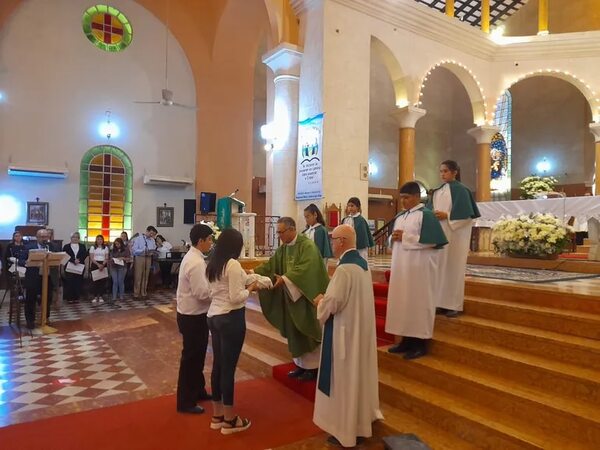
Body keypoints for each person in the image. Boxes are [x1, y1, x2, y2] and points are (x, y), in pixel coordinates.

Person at [312, 224, 383, 448]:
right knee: (358, 380)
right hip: (359, 332)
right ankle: (360, 425)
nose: (331, 243)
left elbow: (333, 303)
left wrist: (320, 302)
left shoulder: (344, 269)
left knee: (343, 383)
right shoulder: (362, 266)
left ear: (341, 241)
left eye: (333, 239)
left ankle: (346, 431)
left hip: (344, 335)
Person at [206, 228, 271, 434]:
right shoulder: (232, 264)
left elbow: (211, 292)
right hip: (230, 318)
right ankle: (230, 420)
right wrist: (251, 288)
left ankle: (217, 415)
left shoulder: (213, 263)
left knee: (218, 366)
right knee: (228, 369)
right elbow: (236, 297)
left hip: (214, 316)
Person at [254, 217, 329, 381]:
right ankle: (301, 365)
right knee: (295, 331)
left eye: (281, 232)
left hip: (306, 297)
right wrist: (254, 273)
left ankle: (313, 368)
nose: (279, 235)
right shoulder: (284, 249)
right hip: (291, 297)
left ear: (291, 229)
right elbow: (271, 266)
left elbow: (308, 268)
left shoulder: (307, 245)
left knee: (308, 329)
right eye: (278, 232)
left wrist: (286, 279)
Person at [386, 182, 448, 359]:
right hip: (402, 267)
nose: (403, 201)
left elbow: (433, 241)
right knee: (404, 303)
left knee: (418, 304)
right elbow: (391, 240)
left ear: (416, 196)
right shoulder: (400, 216)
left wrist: (405, 237)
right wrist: (393, 237)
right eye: (402, 198)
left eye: (406, 197)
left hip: (420, 269)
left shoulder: (426, 215)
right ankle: (406, 340)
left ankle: (420, 343)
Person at [427, 160, 480, 317]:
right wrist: (432, 216)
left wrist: (447, 215)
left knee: (453, 269)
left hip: (456, 236)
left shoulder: (462, 191)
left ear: (454, 172)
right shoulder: (438, 191)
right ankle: (439, 302)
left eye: (445, 171)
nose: (442, 174)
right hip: (440, 233)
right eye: (441, 171)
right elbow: (428, 211)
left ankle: (453, 304)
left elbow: (468, 216)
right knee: (439, 268)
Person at [175, 224, 214, 414]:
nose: (211, 243)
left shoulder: (193, 257)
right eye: (209, 240)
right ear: (201, 241)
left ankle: (198, 390)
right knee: (191, 359)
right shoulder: (196, 262)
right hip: (193, 316)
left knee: (198, 357)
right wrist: (220, 291)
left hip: (190, 314)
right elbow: (202, 293)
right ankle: (185, 401)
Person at [24, 229, 57, 329]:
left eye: (46, 237)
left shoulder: (52, 246)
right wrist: (28, 261)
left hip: (47, 276)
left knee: (47, 298)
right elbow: (21, 260)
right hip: (33, 277)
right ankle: (30, 320)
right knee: (31, 299)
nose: (44, 239)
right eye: (42, 237)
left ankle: (45, 318)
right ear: (37, 237)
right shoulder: (29, 247)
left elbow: (57, 257)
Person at [131, 226, 157, 299]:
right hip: (139, 258)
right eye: (151, 233)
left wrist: (153, 251)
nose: (152, 235)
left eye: (153, 234)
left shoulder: (152, 240)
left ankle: (144, 293)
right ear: (147, 231)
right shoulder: (139, 239)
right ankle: (136, 294)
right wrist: (142, 250)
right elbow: (134, 250)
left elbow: (153, 248)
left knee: (146, 276)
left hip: (148, 257)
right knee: (138, 276)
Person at [62, 232, 88, 304]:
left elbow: (84, 255)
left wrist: (78, 260)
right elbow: (65, 255)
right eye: (74, 237)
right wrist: (73, 260)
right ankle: (69, 298)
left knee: (78, 282)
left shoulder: (82, 246)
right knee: (70, 282)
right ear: (71, 238)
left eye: (77, 237)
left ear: (79, 238)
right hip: (69, 266)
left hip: (79, 266)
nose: (75, 238)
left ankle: (76, 297)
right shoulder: (66, 246)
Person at [109, 237, 131, 307]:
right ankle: (114, 297)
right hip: (114, 267)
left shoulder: (126, 249)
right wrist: (113, 259)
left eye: (118, 244)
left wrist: (123, 258)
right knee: (115, 281)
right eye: (115, 244)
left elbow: (129, 258)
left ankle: (121, 296)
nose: (117, 245)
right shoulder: (113, 249)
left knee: (120, 281)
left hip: (122, 267)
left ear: (121, 243)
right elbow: (110, 257)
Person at [89, 235, 109, 304]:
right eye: (98, 239)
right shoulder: (92, 247)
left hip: (103, 264)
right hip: (95, 264)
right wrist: (98, 264)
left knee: (102, 281)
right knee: (95, 281)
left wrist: (103, 264)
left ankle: (100, 296)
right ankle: (95, 296)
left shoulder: (105, 248)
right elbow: (92, 257)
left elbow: (106, 257)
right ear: (96, 240)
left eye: (101, 239)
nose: (99, 241)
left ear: (103, 240)